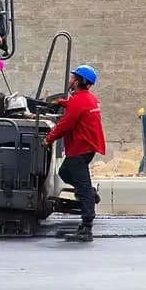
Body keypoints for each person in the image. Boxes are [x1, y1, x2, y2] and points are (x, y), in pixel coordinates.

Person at [43, 65, 105, 242]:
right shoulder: (87, 98)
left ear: (77, 82)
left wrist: (48, 139)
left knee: (82, 186)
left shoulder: (79, 100)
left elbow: (65, 124)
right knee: (64, 172)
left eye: (72, 78)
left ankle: (86, 229)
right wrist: (61, 103)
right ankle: (89, 193)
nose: (70, 80)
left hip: (81, 147)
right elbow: (75, 107)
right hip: (86, 146)